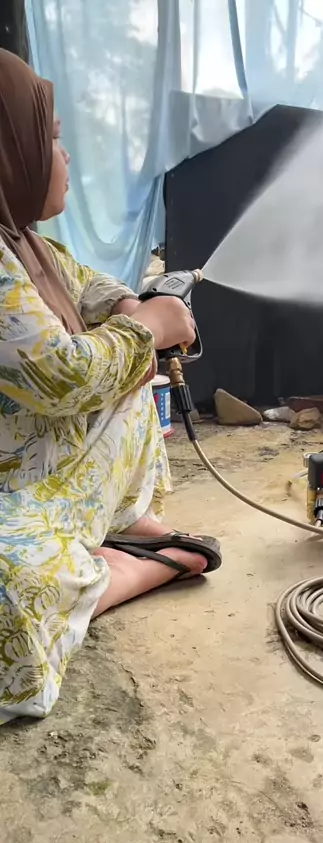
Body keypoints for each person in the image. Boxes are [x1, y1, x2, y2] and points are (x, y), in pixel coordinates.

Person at [0, 50, 221, 724]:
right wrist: (146, 328)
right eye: (52, 138)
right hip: (15, 487)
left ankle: (123, 527)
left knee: (128, 367)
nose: (64, 157)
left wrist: (128, 305)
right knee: (10, 588)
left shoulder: (26, 244)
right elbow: (61, 376)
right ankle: (134, 569)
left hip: (32, 472)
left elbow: (86, 282)